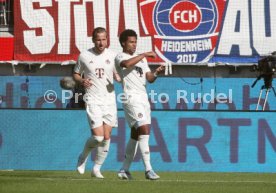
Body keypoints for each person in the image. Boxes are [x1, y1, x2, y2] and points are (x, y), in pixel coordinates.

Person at [115, 29, 165, 180]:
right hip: (131, 97)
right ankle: (148, 170)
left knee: (136, 134)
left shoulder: (141, 60)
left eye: (135, 42)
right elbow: (126, 64)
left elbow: (148, 78)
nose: (134, 45)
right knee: (144, 129)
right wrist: (143, 54)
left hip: (143, 97)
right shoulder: (120, 56)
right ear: (123, 43)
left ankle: (124, 169)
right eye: (131, 42)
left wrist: (156, 73)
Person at [73, 27, 120, 178]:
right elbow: (75, 74)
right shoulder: (85, 55)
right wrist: (81, 80)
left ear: (108, 40)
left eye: (104, 39)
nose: (101, 43)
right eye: (98, 39)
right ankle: (83, 157)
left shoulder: (113, 56)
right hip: (93, 99)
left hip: (109, 100)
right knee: (98, 137)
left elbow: (118, 73)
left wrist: (119, 77)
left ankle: (96, 169)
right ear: (93, 40)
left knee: (107, 137)